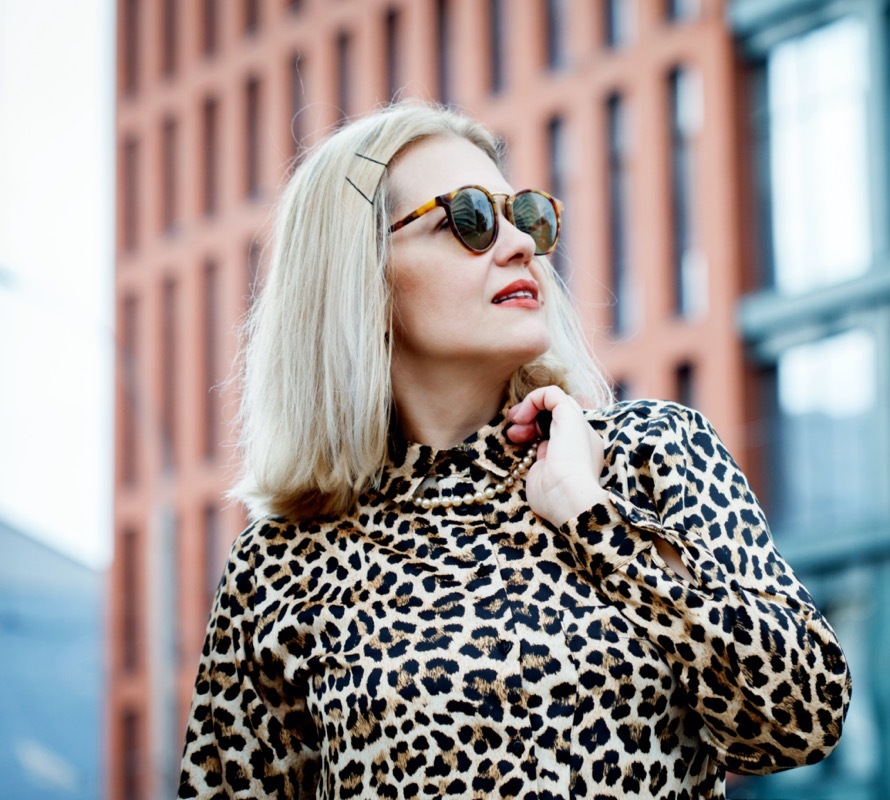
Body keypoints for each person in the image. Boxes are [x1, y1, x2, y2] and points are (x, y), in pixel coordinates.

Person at [177, 100, 849, 800]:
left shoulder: (649, 454)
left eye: (524, 215)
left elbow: (802, 717)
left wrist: (592, 519)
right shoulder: (280, 564)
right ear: (359, 274)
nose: (521, 243)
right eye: (468, 218)